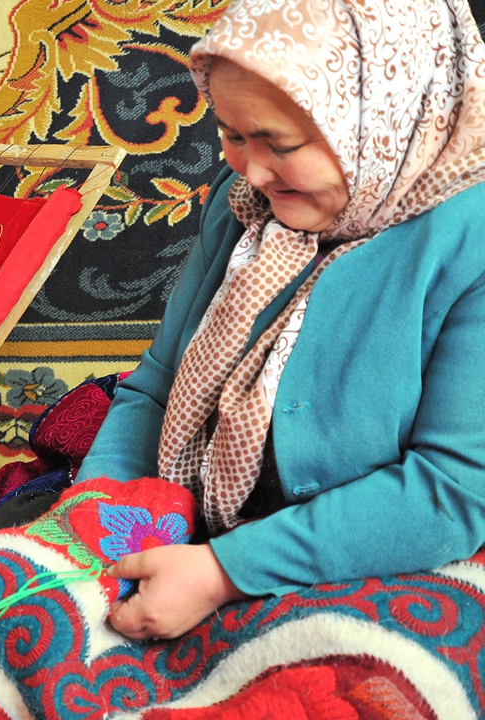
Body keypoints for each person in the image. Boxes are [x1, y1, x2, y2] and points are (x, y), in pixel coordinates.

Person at [83, 0, 485, 640]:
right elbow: (159, 383)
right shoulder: (244, 204)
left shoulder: (471, 243)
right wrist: (92, 529)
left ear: (386, 119)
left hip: (378, 559)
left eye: (281, 144)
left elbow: (452, 494)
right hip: (196, 544)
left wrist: (222, 572)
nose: (253, 169)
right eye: (234, 135)